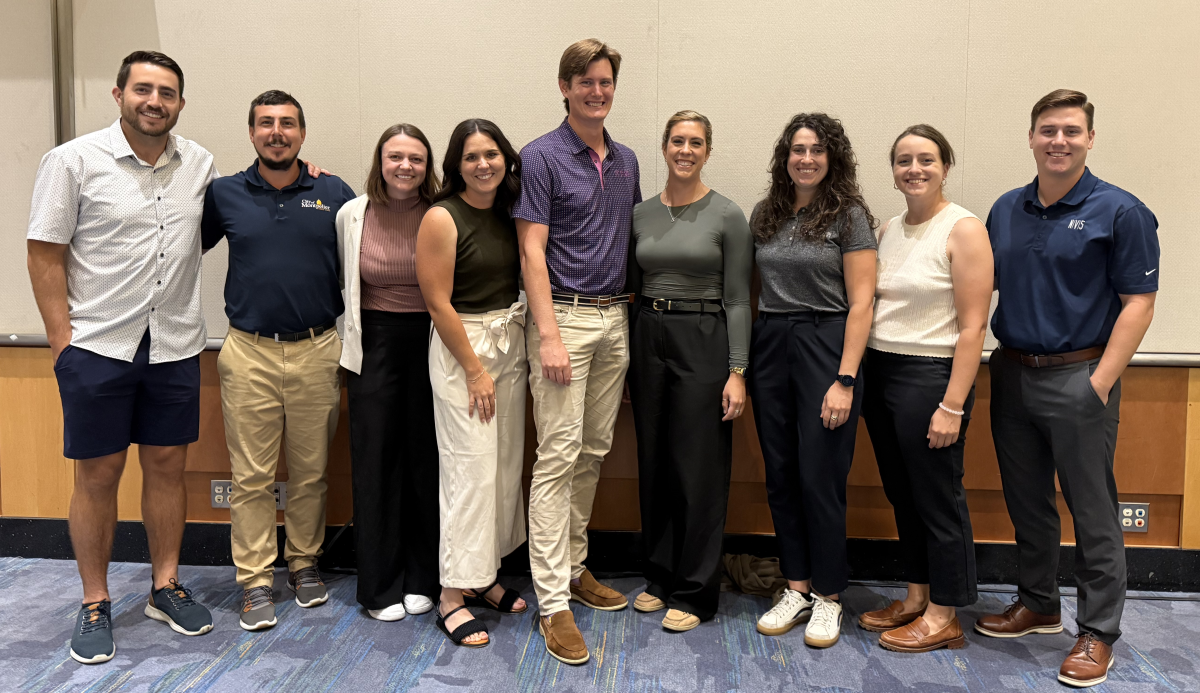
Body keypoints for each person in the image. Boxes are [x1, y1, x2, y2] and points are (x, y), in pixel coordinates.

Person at [27, 50, 218, 665]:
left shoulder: (199, 164)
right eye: (143, 89)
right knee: (98, 474)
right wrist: (62, 344)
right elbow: (44, 253)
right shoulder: (72, 161)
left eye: (167, 93)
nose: (154, 101)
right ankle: (94, 600)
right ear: (119, 95)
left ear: (180, 103)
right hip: (98, 346)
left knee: (167, 467)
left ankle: (165, 586)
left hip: (174, 345)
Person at [975, 89, 1158, 688]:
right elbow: (977, 286)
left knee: (1092, 508)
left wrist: (1099, 382)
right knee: (1026, 499)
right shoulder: (1006, 208)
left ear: (1090, 139)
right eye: (1048, 130)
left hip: (1080, 376)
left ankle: (1098, 631)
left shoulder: (1122, 212)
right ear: (1031, 138)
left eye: (1071, 131)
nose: (1059, 141)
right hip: (1010, 372)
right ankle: (1038, 604)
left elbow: (1139, 303)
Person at [201, 90, 356, 632]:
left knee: (311, 471)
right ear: (251, 133)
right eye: (265, 123)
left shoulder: (333, 192)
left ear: (302, 134)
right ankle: (254, 580)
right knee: (251, 477)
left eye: (287, 123)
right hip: (248, 352)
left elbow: (365, 256)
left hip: (318, 349)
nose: (276, 132)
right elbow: (179, 250)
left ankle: (304, 562)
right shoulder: (223, 193)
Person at [515, 38, 642, 665]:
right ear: (564, 87)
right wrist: (548, 335)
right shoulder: (540, 156)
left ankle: (573, 566)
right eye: (584, 81)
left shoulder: (627, 160)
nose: (596, 91)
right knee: (557, 456)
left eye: (605, 81)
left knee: (592, 451)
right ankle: (551, 602)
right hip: (562, 318)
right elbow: (531, 250)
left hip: (615, 318)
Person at [858, 125, 993, 652]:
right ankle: (917, 595)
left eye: (926, 160)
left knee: (938, 496)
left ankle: (945, 613)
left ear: (945, 167)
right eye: (904, 161)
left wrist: (952, 405)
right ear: (893, 171)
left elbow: (973, 327)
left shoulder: (964, 230)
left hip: (931, 376)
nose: (914, 169)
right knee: (903, 492)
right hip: (881, 371)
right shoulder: (889, 228)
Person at [749, 113, 877, 648]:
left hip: (827, 344)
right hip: (771, 342)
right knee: (780, 472)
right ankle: (796, 586)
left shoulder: (849, 216)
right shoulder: (767, 213)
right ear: (785, 158)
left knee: (819, 475)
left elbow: (862, 302)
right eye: (797, 150)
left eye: (817, 150)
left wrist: (845, 378)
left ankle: (828, 595)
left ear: (833, 158)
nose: (806, 159)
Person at [626, 111, 752, 632]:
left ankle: (696, 591)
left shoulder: (727, 214)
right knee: (654, 459)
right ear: (664, 148)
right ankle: (659, 577)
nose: (685, 150)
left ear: (707, 151)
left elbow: (739, 298)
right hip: (648, 334)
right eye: (677, 141)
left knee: (698, 466)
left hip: (704, 335)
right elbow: (633, 287)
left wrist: (738, 370)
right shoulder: (641, 213)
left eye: (695, 142)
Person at [416, 119, 529, 649]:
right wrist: (475, 370)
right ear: (456, 166)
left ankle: (483, 576)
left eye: (491, 154)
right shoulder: (442, 217)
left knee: (503, 468)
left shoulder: (510, 210)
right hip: (465, 351)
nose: (483, 164)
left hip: (509, 342)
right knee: (470, 471)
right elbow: (437, 303)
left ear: (505, 158)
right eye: (471, 157)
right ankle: (450, 595)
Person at [337, 124, 440, 622]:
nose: (405, 166)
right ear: (380, 162)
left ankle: (423, 577)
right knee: (375, 461)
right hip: (373, 344)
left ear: (428, 166)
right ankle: (379, 585)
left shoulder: (441, 214)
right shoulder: (352, 214)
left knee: (427, 460)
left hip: (432, 342)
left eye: (416, 158)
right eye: (395, 156)